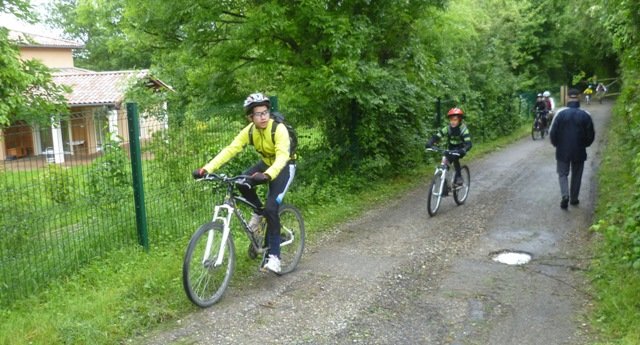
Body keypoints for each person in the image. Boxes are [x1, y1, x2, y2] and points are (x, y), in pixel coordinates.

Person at [192, 92, 296, 273]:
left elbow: (281, 157)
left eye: (265, 112)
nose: (263, 117)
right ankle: (258, 212)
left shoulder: (278, 129)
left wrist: (268, 175)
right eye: (258, 114)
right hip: (266, 164)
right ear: (250, 117)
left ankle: (275, 258)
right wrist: (207, 169)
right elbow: (230, 150)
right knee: (241, 182)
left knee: (272, 208)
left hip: (285, 166)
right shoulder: (250, 131)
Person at [549, 88, 595, 209]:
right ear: (579, 97)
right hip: (579, 150)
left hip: (562, 150)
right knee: (577, 174)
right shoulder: (586, 115)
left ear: (567, 98)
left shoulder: (560, 113)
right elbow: (591, 135)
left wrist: (556, 144)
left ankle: (565, 195)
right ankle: (574, 198)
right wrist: (585, 144)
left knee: (562, 173)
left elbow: (552, 132)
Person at [425, 107, 473, 186]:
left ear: (459, 120)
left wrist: (463, 150)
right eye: (451, 120)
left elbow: (469, 144)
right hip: (451, 148)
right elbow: (437, 136)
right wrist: (430, 143)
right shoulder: (448, 128)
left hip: (461, 148)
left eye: (455, 120)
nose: (452, 122)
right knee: (446, 163)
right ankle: (444, 186)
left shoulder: (463, 129)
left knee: (455, 158)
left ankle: (459, 177)